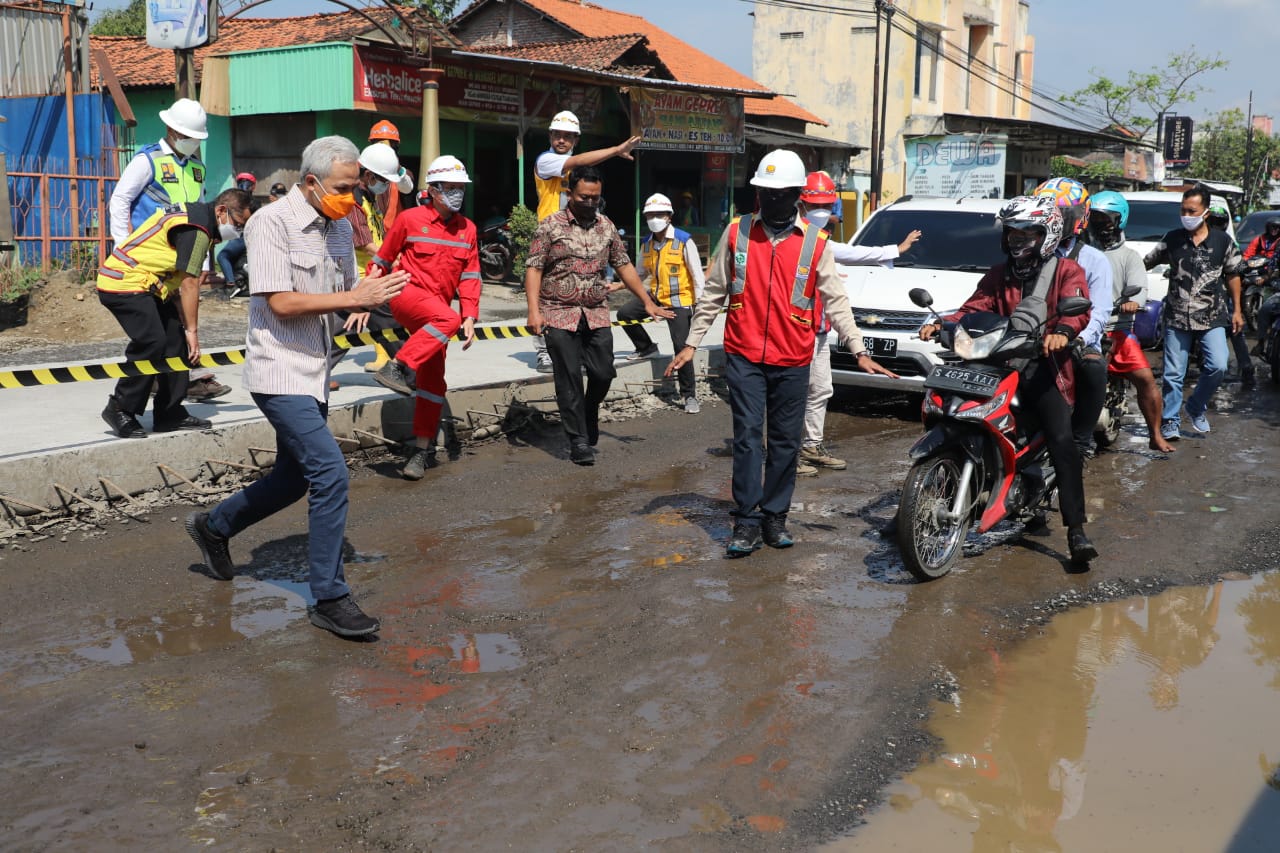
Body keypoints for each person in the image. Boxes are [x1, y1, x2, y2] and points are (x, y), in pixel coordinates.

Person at [185, 136, 410, 639]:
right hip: (278, 370)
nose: (353, 197)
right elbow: (280, 303)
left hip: (316, 369)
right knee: (331, 474)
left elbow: (344, 293)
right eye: (344, 187)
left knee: (293, 479)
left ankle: (214, 526)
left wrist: (364, 302)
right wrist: (354, 295)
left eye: (356, 188)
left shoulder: (338, 229)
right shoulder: (271, 223)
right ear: (311, 182)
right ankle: (329, 596)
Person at [666, 150, 896, 556]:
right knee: (748, 439)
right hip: (744, 354)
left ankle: (775, 518)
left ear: (796, 196)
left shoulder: (815, 241)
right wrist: (691, 343)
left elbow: (836, 301)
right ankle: (747, 521)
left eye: (779, 194)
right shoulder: (737, 232)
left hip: (793, 358)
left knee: (786, 442)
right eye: (764, 193)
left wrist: (858, 348)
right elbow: (714, 293)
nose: (770, 200)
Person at [918, 196, 1097, 564]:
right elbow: (974, 307)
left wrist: (1062, 330)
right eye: (1012, 232)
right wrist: (942, 323)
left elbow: (1078, 306)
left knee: (1063, 442)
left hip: (1043, 369)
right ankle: (914, 504)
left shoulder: (1065, 270)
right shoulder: (999, 273)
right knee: (952, 415)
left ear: (1046, 233)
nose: (1017, 239)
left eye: (1027, 232)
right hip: (996, 364)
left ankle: (1076, 530)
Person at [526, 165, 673, 465]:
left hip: (595, 312)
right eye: (584, 197)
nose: (590, 203)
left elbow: (624, 265)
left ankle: (588, 409)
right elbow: (534, 267)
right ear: (570, 194)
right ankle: (577, 440)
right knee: (568, 380)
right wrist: (533, 311)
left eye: (595, 198)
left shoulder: (606, 227)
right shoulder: (549, 226)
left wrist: (646, 301)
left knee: (604, 372)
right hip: (558, 312)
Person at [97, 188, 252, 439]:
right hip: (123, 282)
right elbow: (190, 283)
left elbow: (179, 282)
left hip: (151, 286)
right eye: (238, 224)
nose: (237, 231)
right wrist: (193, 331)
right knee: (152, 342)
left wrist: (183, 328)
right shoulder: (197, 227)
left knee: (174, 344)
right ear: (222, 211)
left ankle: (169, 413)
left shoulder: (202, 224)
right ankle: (119, 407)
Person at [795, 170, 921, 476]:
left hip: (820, 330)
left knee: (821, 390)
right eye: (815, 207)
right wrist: (894, 250)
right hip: (794, 332)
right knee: (789, 394)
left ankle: (811, 446)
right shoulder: (793, 238)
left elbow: (849, 254)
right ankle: (787, 453)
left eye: (826, 206)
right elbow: (849, 254)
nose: (821, 213)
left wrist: (894, 250)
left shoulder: (821, 241)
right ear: (800, 205)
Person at [368, 155, 483, 481]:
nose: (457, 193)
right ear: (433, 189)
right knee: (447, 320)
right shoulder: (409, 219)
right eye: (451, 187)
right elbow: (382, 259)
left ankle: (420, 451)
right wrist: (366, 298)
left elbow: (470, 276)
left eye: (461, 188)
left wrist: (470, 315)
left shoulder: (468, 230)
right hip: (407, 296)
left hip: (437, 314)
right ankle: (398, 367)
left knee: (434, 384)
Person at [108, 97, 229, 403]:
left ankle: (172, 394)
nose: (192, 143)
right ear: (172, 130)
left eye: (196, 138)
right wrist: (124, 249)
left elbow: (201, 218)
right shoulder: (146, 160)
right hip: (146, 262)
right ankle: (155, 388)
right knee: (158, 334)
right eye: (189, 136)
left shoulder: (197, 169)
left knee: (174, 333)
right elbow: (120, 201)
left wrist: (201, 267)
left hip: (179, 264)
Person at [530, 110, 643, 373]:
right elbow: (577, 162)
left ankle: (573, 347)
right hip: (551, 235)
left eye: (568, 136)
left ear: (575, 139)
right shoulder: (546, 160)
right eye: (558, 135)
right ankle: (542, 351)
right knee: (544, 295)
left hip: (578, 235)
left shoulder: (578, 170)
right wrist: (616, 150)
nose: (562, 140)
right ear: (550, 136)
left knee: (578, 293)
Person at [1143, 184, 1244, 439]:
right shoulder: (1173, 239)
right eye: (1183, 210)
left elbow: (1233, 275)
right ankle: (1170, 420)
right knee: (1173, 373)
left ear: (1206, 212)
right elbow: (1144, 262)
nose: (1186, 215)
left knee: (1218, 365)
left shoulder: (1223, 241)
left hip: (1212, 317)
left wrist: (1238, 310)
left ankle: (1196, 405)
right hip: (1176, 315)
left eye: (1192, 210)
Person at [1086, 192, 1176, 454]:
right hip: (1082, 329)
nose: (1101, 224)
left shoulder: (1129, 257)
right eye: (1095, 218)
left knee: (1147, 381)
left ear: (1120, 220)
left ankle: (1155, 434)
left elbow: (1139, 290)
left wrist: (1133, 301)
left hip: (1116, 332)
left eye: (1106, 219)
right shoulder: (1081, 253)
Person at [1033, 177, 1113, 459]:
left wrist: (1075, 338)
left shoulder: (1094, 259)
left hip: (1074, 338)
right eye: (1049, 210)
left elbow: (1100, 310)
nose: (1056, 218)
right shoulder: (1028, 252)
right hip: (1030, 335)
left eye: (1063, 212)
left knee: (1093, 368)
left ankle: (1079, 442)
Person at [618, 192, 706, 413]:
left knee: (681, 347)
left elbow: (697, 276)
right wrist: (617, 285)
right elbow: (637, 274)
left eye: (659, 214)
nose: (654, 219)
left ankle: (689, 395)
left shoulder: (684, 240)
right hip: (656, 297)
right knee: (625, 314)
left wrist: (699, 308)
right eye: (650, 215)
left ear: (669, 216)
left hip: (680, 302)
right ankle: (646, 348)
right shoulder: (646, 244)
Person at [1206, 203, 1256, 386]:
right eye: (1213, 222)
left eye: (1219, 222)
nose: (1216, 226)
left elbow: (1239, 267)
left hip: (1223, 296)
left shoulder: (1228, 242)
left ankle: (1247, 368)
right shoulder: (1199, 239)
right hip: (1201, 297)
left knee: (1235, 331)